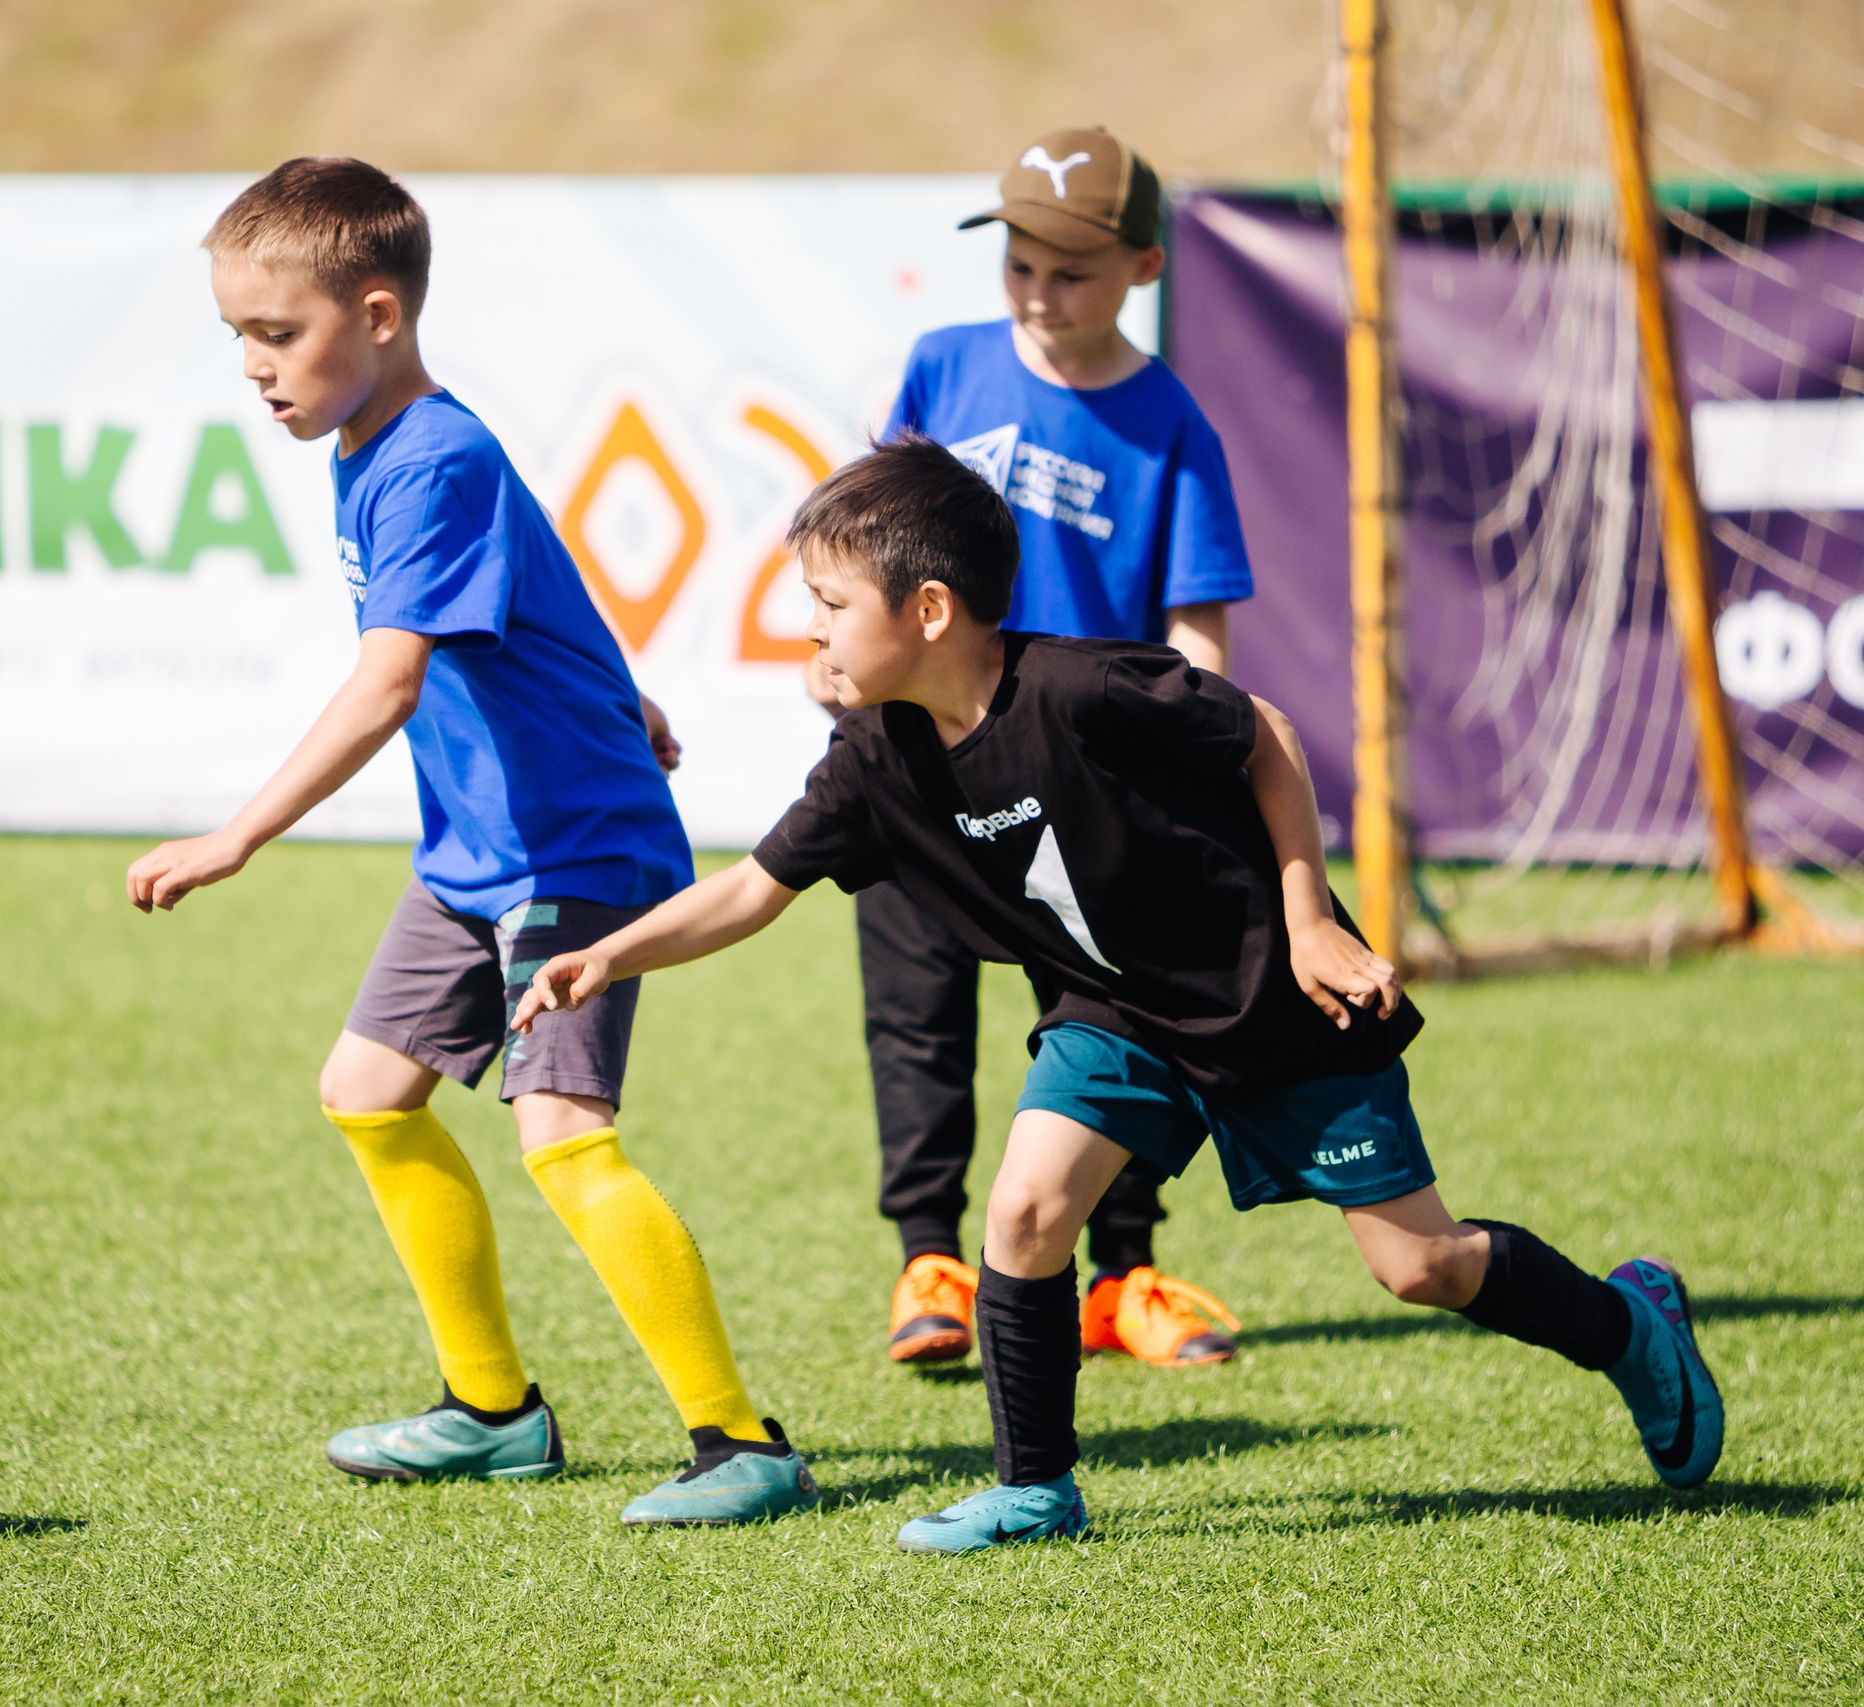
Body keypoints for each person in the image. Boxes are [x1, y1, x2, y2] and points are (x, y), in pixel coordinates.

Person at [513, 437, 1726, 1553]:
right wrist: (610, 955)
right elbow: (754, 888)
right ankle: (1034, 1484)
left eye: (830, 607)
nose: (811, 636)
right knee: (1028, 1211)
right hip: (1113, 1016)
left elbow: (1263, 733)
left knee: (1420, 1270)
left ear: (927, 611)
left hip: (1272, 999)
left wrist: (1309, 916)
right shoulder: (874, 758)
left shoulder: (1086, 689)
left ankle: (1630, 1328)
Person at [125, 157, 816, 1527]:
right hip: (481, 849)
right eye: (237, 340)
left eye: (279, 334)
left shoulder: (431, 453)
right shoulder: (378, 446)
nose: (255, 368)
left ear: (378, 315)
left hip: (570, 852)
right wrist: (632, 698)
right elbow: (543, 586)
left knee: (564, 1132)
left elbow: (390, 680)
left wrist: (238, 833)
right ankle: (493, 1409)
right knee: (366, 1089)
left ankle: (742, 1440)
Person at [848, 127, 1257, 1371]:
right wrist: (843, 668)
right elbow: (866, 540)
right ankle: (930, 1263)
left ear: (1142, 265)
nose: (1037, 292)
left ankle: (1120, 1274)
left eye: (1069, 272)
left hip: (1084, 784)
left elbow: (1195, 623)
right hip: (921, 757)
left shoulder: (1170, 418)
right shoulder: (942, 363)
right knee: (915, 1017)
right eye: (1019, 263)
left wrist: (1190, 743)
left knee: (1108, 1027)